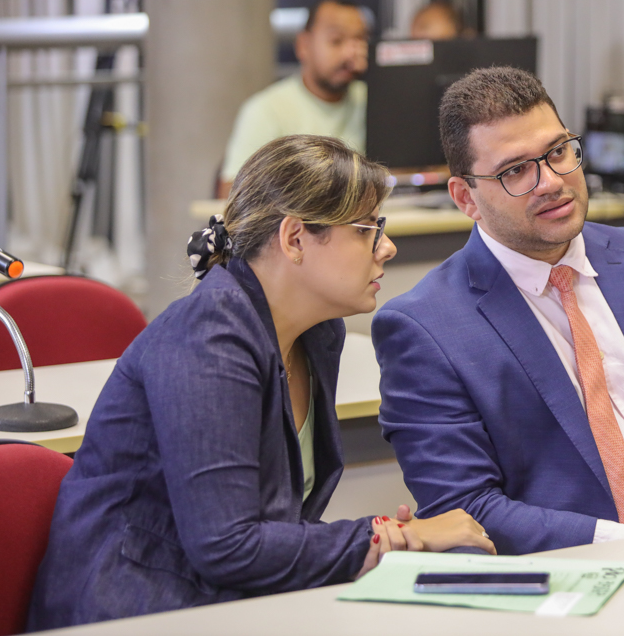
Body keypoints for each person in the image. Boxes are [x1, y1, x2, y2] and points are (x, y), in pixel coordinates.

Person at [28, 136, 494, 630]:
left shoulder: (317, 333)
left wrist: (386, 542)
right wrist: (394, 535)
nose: (388, 246)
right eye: (367, 230)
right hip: (134, 609)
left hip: (231, 602)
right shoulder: (208, 337)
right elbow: (226, 547)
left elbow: (269, 530)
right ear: (294, 239)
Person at [372, 67, 624, 556]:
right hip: (585, 573)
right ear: (466, 198)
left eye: (558, 152)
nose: (550, 181)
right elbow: (465, 506)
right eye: (515, 170)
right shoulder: (426, 327)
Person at [217, 0, 369, 197]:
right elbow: (232, 193)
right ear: (303, 45)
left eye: (360, 40)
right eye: (336, 41)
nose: (351, 53)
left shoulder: (376, 101)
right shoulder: (267, 109)